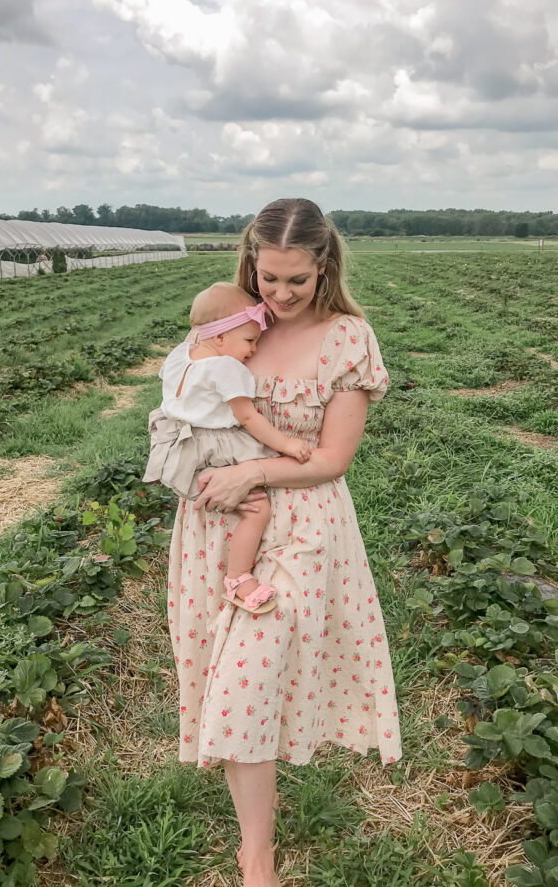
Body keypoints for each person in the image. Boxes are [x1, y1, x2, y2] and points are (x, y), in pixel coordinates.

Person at [166, 198, 402, 887]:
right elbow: (183, 400)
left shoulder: (348, 339)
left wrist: (252, 470)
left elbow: (331, 458)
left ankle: (257, 858)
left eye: (296, 279)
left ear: (324, 265)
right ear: (250, 264)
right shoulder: (230, 325)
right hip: (221, 523)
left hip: (303, 521)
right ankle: (255, 847)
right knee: (235, 675)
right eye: (267, 277)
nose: (280, 293)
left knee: (250, 668)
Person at [143, 281, 312, 613]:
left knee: (223, 504)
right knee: (257, 508)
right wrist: (287, 444)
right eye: (249, 340)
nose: (252, 350)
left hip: (180, 443)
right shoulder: (226, 367)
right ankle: (238, 577)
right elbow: (248, 417)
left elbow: (197, 335)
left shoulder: (180, 355)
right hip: (215, 446)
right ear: (219, 337)